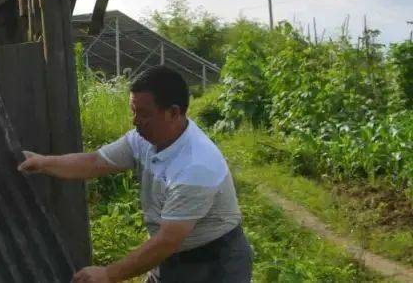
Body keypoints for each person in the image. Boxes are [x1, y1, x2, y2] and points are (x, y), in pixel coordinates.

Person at [18, 66, 252, 282]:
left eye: (144, 114)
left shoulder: (196, 165)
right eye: (133, 111)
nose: (135, 121)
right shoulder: (143, 140)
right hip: (171, 257)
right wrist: (43, 163)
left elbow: (168, 240)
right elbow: (94, 161)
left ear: (173, 112)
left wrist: (108, 274)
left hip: (214, 264)